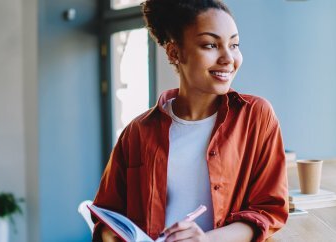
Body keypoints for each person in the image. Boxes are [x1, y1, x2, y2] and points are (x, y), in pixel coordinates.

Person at [92, 0, 288, 241]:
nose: (228, 58)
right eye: (210, 45)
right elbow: (107, 217)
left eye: (234, 45)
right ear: (175, 52)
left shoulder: (256, 116)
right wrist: (110, 234)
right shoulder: (137, 132)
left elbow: (268, 211)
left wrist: (206, 240)